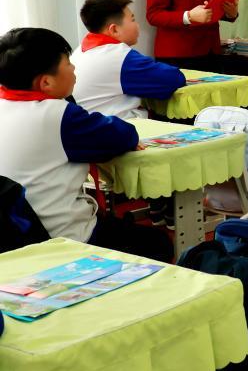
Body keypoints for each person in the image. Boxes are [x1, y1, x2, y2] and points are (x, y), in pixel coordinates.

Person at [0, 28, 172, 261]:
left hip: (12, 236)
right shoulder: (58, 115)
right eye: (68, 63)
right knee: (157, 243)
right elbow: (122, 135)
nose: (74, 69)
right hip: (60, 237)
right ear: (46, 82)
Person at [70, 0, 187, 120]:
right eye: (133, 19)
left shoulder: (79, 51)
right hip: (118, 126)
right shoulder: (118, 56)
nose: (137, 25)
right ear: (114, 30)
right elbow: (174, 78)